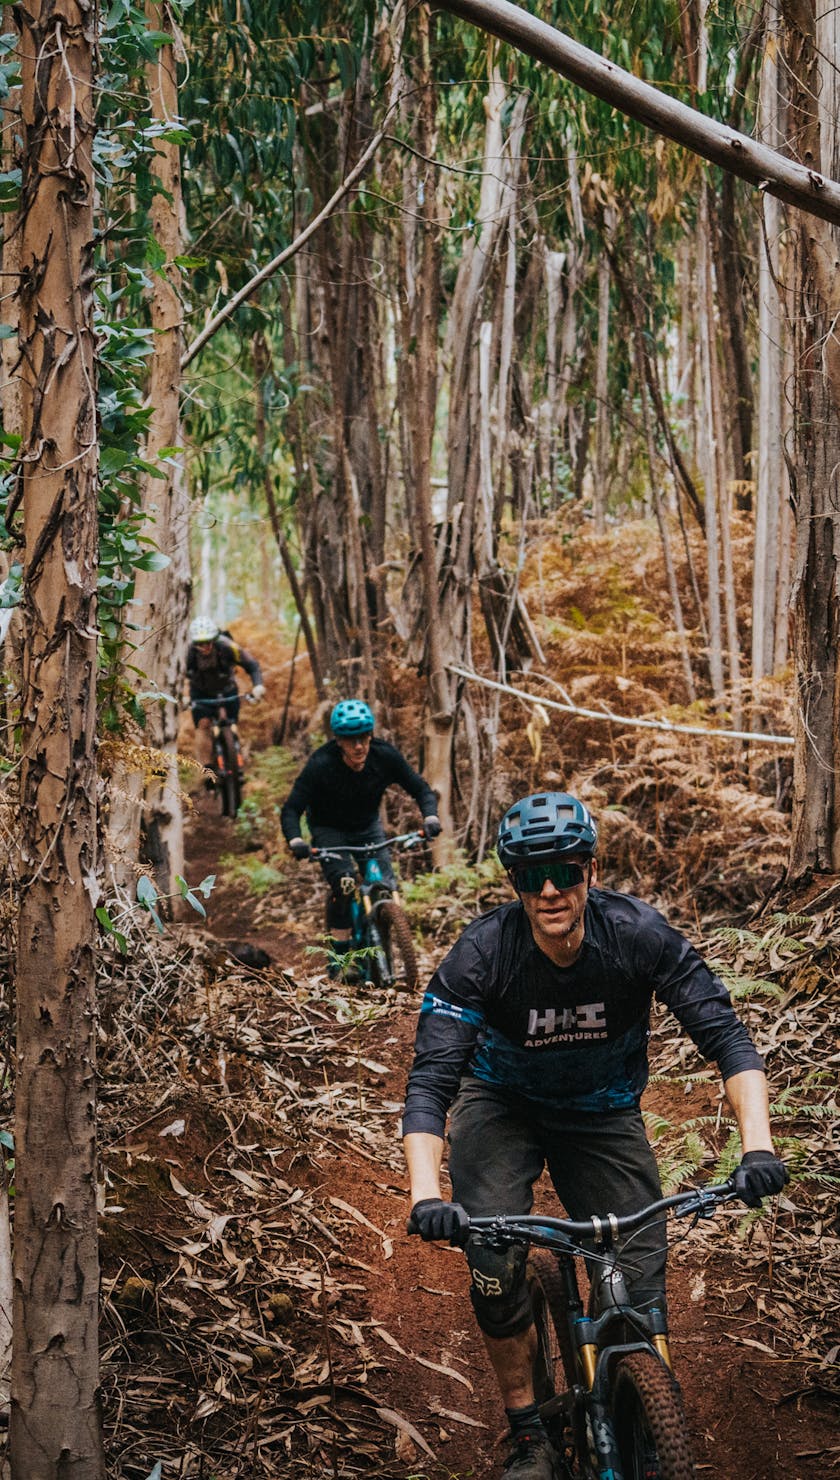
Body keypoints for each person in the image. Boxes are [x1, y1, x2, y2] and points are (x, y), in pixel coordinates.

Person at [402, 791, 788, 1480]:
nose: (549, 890)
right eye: (529, 876)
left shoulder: (637, 934)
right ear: (511, 882)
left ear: (591, 869)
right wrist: (427, 1193)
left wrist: (757, 1145)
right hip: (501, 1104)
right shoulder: (481, 955)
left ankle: (646, 1408)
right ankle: (528, 1434)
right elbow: (432, 1082)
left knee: (637, 1284)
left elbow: (728, 1039)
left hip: (602, 1110)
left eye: (565, 871)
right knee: (493, 1267)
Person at [281, 699, 442, 968]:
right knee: (344, 885)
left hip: (367, 827)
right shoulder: (321, 763)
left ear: (371, 736)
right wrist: (296, 840)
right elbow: (292, 808)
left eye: (364, 738)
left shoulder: (384, 756)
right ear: (339, 741)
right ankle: (340, 957)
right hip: (328, 829)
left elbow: (421, 789)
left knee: (384, 886)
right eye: (350, 740)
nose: (359, 746)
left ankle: (382, 946)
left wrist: (431, 817)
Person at [186, 617, 265, 773]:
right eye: (200, 643)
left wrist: (258, 686)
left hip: (228, 690)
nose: (205, 646)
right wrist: (182, 697)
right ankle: (207, 769)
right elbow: (175, 676)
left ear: (214, 639)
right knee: (204, 725)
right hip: (201, 693)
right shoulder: (188, 654)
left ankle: (236, 755)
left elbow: (252, 664)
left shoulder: (227, 646)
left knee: (232, 723)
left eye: (208, 642)